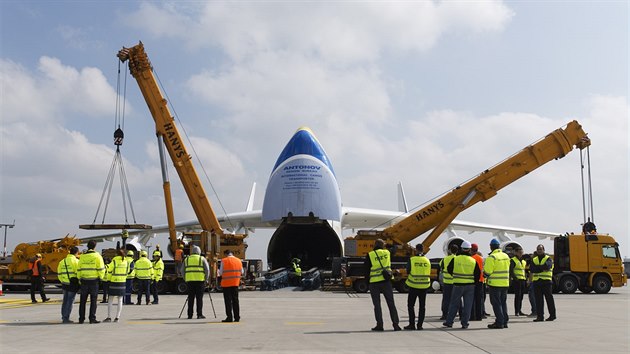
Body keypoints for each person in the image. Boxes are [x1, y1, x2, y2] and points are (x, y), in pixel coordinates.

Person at [364, 238, 401, 331]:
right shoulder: (387, 253)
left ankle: (380, 325)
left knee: (377, 305)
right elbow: (395, 247)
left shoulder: (370, 255)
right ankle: (396, 325)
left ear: (374, 245)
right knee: (391, 304)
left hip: (374, 283)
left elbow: (366, 270)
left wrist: (367, 282)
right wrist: (387, 244)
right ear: (383, 245)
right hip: (386, 282)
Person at [443, 241, 480, 329]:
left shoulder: (455, 259)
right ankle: (464, 323)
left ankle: (449, 322)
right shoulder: (473, 261)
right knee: (468, 305)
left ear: (461, 248)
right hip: (470, 286)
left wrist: (455, 276)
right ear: (469, 249)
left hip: (458, 284)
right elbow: (477, 274)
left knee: (454, 304)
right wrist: (473, 282)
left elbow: (449, 269)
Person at [77, 240, 105, 324]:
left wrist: (79, 278)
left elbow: (79, 268)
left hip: (84, 280)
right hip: (94, 281)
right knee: (93, 300)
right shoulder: (97, 256)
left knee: (83, 301)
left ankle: (81, 318)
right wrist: (101, 278)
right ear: (94, 247)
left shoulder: (82, 256)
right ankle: (92, 318)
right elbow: (101, 268)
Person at [484, 238, 510, 329]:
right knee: (503, 303)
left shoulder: (492, 257)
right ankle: (505, 321)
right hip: (505, 283)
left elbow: (487, 271)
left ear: (491, 247)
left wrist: (484, 274)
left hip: (495, 284)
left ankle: (499, 322)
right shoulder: (506, 256)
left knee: (496, 303)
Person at [404, 243, 431, 330]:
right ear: (423, 250)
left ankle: (412, 324)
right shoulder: (427, 260)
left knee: (411, 305)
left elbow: (408, 271)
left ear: (415, 249)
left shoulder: (412, 259)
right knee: (422, 307)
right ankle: (420, 325)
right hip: (424, 286)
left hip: (414, 285)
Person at [531, 244, 556, 322]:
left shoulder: (548, 258)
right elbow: (532, 269)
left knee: (549, 299)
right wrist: (541, 268)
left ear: (544, 250)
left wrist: (538, 268)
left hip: (546, 282)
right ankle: (540, 316)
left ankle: (552, 315)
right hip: (537, 282)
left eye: (541, 249)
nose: (539, 251)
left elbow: (547, 267)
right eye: (538, 249)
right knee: (538, 300)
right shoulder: (534, 259)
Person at [184, 245, 210, 319]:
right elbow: (207, 270)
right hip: (200, 282)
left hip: (190, 282)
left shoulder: (187, 259)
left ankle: (189, 315)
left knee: (190, 298)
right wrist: (206, 279)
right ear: (199, 252)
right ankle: (199, 314)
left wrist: (185, 278)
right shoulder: (202, 259)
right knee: (199, 299)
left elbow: (182, 270)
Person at [103, 249, 127, 323]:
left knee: (110, 299)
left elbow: (110, 271)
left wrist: (108, 279)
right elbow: (128, 271)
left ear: (116, 254)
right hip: (122, 281)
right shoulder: (125, 261)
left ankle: (109, 317)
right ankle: (117, 317)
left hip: (114, 281)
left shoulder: (114, 261)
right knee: (120, 300)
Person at [220, 249, 243, 322]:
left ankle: (229, 317)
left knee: (228, 301)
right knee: (235, 301)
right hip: (235, 283)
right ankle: (237, 317)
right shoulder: (239, 260)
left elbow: (220, 273)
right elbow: (242, 271)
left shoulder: (224, 260)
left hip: (226, 284)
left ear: (226, 254)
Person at [57, 246, 79, 323]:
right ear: (76, 253)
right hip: (72, 284)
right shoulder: (76, 261)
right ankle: (66, 318)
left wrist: (63, 281)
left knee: (65, 301)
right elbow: (78, 273)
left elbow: (59, 274)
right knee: (70, 301)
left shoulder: (62, 261)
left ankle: (64, 317)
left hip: (64, 284)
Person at [439, 244, 458, 320]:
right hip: (455, 282)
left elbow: (441, 266)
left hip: (446, 282)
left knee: (446, 299)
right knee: (457, 299)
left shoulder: (444, 259)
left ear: (450, 250)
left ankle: (444, 314)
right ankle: (459, 313)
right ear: (457, 251)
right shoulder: (457, 259)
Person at [510, 246, 527, 316]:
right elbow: (511, 270)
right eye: (519, 252)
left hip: (523, 280)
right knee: (518, 296)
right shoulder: (513, 260)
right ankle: (516, 311)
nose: (521, 254)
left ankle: (520, 310)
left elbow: (524, 270)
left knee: (521, 296)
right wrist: (515, 278)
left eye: (521, 252)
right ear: (516, 252)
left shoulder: (523, 261)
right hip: (517, 280)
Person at [470, 243, 485, 321]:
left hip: (474, 280)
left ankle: (472, 316)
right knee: (479, 299)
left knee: (472, 299)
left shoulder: (471, 258)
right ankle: (479, 316)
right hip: (481, 280)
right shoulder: (481, 258)